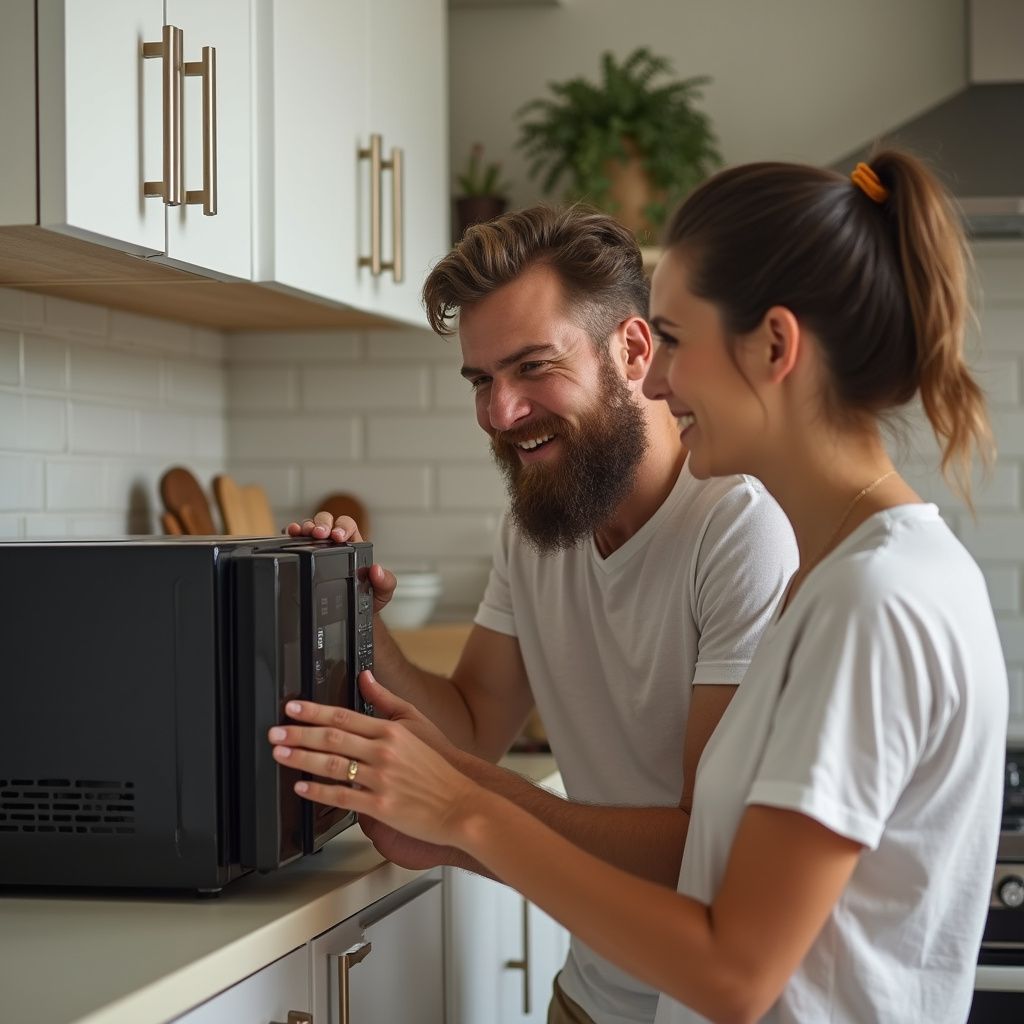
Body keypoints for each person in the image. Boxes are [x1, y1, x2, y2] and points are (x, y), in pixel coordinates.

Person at [271, 151, 1008, 1023]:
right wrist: (450, 811)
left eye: (677, 342)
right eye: (482, 379)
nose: (659, 379)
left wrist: (466, 811)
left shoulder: (868, 598)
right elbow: (718, 872)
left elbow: (733, 969)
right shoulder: (841, 578)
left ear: (775, 346)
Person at [289, 205, 798, 1024]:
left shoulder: (737, 527)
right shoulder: (538, 527)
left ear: (633, 350)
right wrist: (360, 624)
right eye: (483, 380)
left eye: (531, 368)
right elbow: (471, 727)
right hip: (588, 997)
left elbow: (699, 849)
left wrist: (465, 815)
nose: (500, 411)